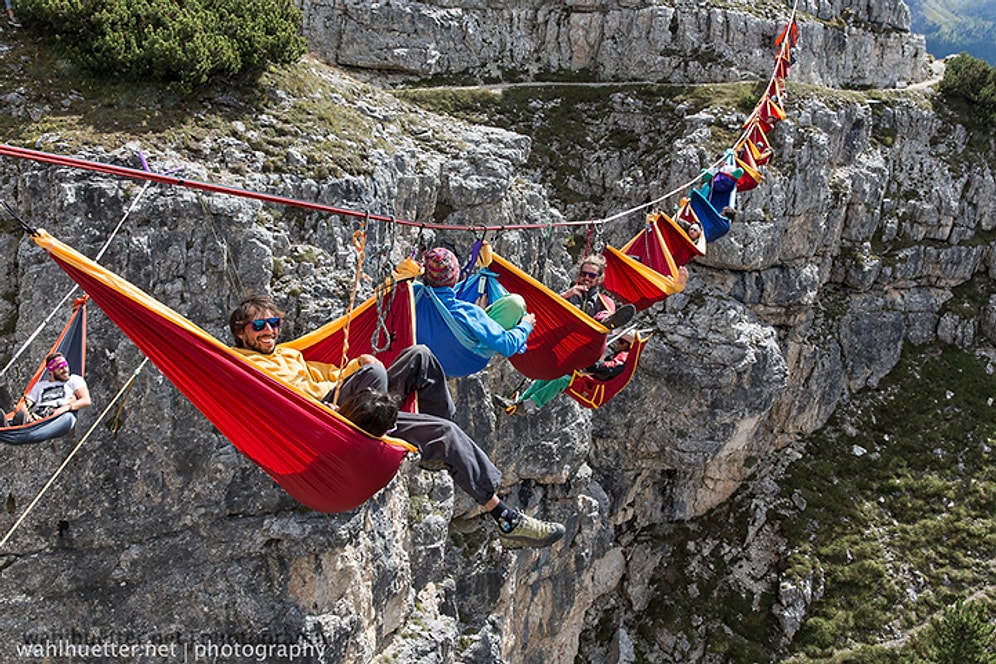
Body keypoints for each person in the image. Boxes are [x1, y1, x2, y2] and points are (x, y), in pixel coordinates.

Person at [229, 294, 565, 550]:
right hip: (325, 422)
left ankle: (502, 516)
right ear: (241, 334)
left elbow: (334, 374)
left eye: (274, 323)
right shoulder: (240, 364)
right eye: (259, 326)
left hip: (359, 407)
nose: (269, 331)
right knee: (375, 371)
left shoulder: (291, 354)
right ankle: (422, 438)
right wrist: (365, 370)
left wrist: (358, 364)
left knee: (421, 357)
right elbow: (271, 399)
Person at [416, 246, 535, 377]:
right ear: (456, 276)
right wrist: (526, 325)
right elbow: (507, 345)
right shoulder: (468, 313)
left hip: (426, 359)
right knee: (515, 303)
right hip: (462, 364)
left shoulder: (413, 293)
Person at [502, 329, 637, 414]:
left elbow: (608, 369)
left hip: (592, 391)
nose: (617, 343)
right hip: (588, 383)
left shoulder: (623, 357)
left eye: (621, 341)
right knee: (553, 373)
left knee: (561, 380)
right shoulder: (617, 355)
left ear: (628, 346)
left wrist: (588, 364)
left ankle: (529, 404)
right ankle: (520, 402)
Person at [2, 352, 91, 426]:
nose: (65, 370)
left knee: (25, 418)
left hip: (59, 414)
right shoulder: (40, 386)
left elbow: (86, 400)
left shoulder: (74, 380)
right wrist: (31, 416)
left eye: (66, 366)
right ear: (51, 371)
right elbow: (24, 405)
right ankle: (6, 426)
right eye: (60, 368)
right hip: (39, 416)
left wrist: (67, 407)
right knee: (20, 414)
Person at [560, 254, 634, 329]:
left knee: (607, 310)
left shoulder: (605, 302)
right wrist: (565, 295)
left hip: (589, 335)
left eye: (592, 275)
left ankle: (606, 321)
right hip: (565, 330)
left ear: (599, 278)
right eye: (583, 274)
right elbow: (550, 306)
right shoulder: (569, 293)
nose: (587, 277)